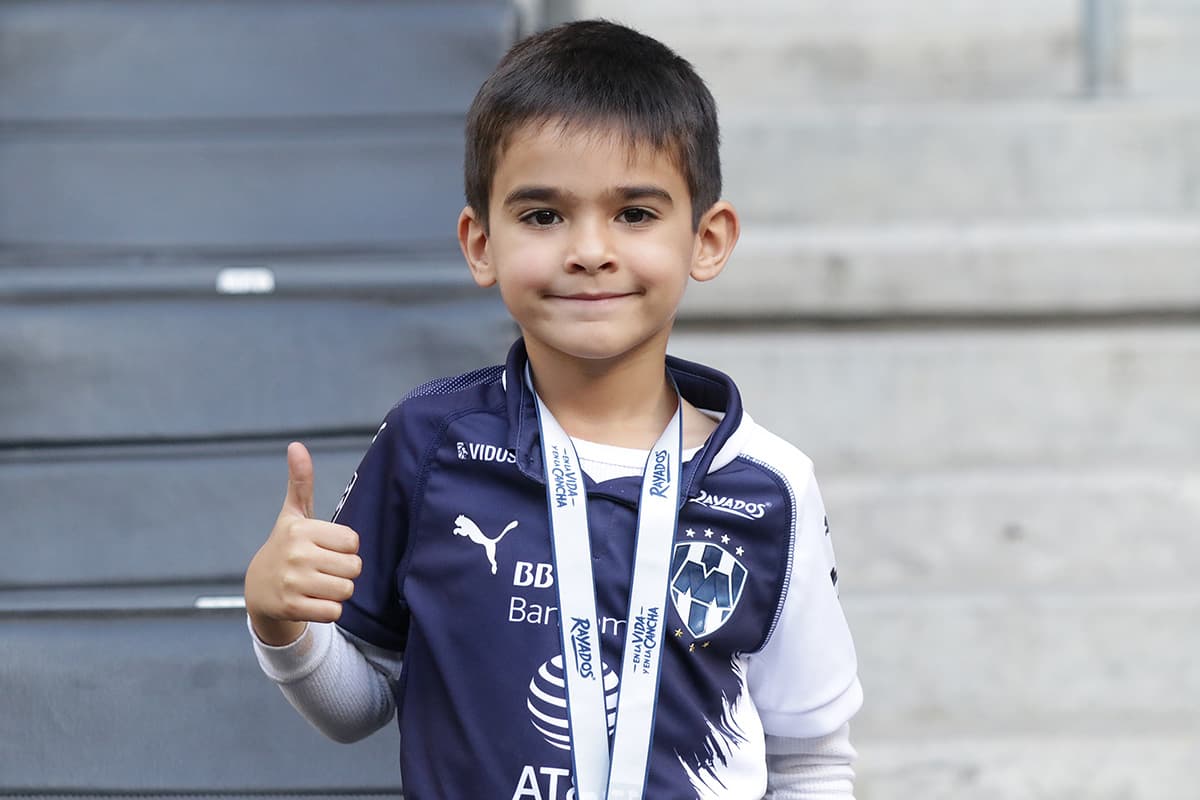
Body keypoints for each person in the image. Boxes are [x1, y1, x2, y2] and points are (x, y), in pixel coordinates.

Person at [244, 19, 862, 800]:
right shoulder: (431, 444)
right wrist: (280, 623)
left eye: (635, 214)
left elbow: (809, 762)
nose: (590, 250)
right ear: (481, 244)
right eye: (543, 215)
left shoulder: (770, 485)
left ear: (707, 239)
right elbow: (359, 704)